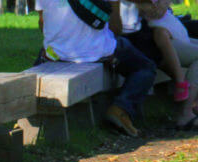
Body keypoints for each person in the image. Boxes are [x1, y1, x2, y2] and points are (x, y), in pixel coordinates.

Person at [36, 0, 157, 137]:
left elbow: (43, 24)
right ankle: (121, 108)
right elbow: (116, 28)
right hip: (98, 52)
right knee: (146, 68)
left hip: (57, 54)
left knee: (43, 57)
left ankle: (33, 114)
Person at [135, 1, 198, 129]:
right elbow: (154, 12)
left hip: (164, 32)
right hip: (149, 39)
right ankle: (185, 113)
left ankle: (195, 107)